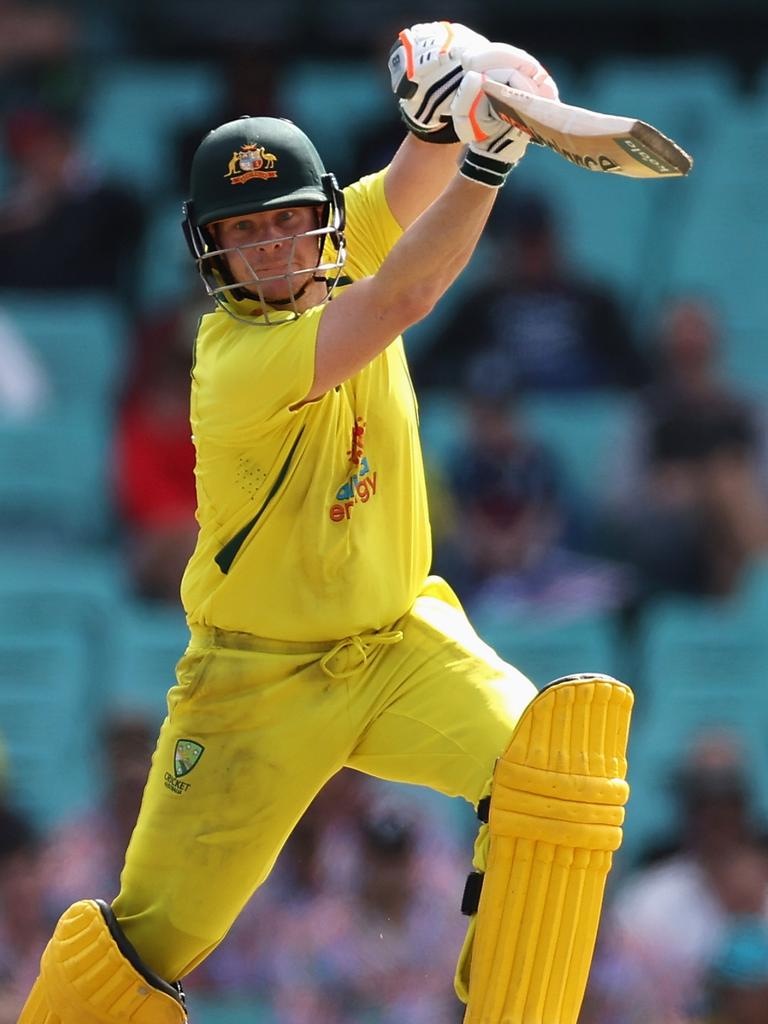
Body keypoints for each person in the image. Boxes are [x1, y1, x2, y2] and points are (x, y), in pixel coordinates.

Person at [20, 22, 633, 1024]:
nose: (267, 248)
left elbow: (410, 179)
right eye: (241, 234)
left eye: (284, 222)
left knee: (549, 766)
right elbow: (408, 294)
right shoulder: (233, 361)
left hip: (398, 643)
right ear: (210, 251)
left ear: (319, 219)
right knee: (147, 944)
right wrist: (489, 153)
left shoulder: (338, 237)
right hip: (254, 682)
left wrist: (451, 95)